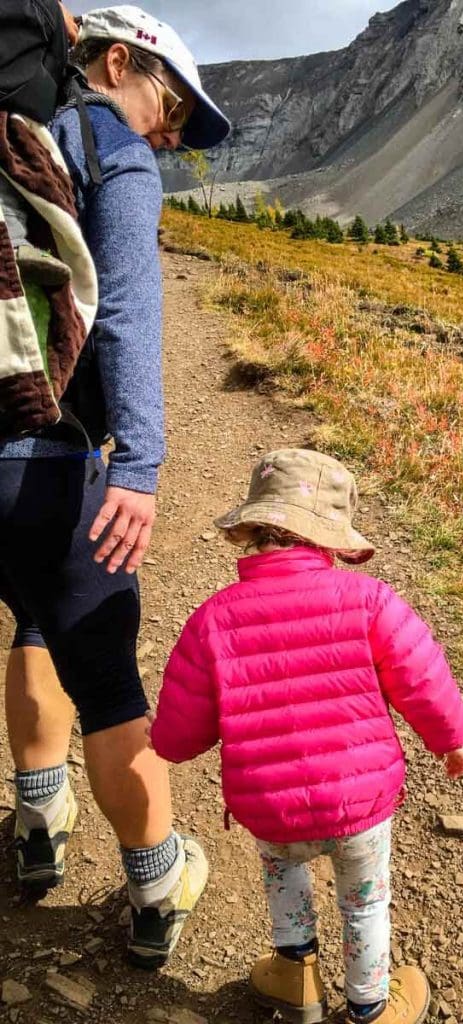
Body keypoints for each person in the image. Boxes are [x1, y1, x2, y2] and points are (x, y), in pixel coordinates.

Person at [0, 5, 230, 968]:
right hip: (51, 453)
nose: (172, 136)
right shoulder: (110, 150)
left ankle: (39, 826)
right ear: (117, 60)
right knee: (103, 665)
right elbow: (128, 318)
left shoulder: (21, 136)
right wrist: (137, 466)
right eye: (171, 107)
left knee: (33, 620)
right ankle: (157, 884)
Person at [150, 449, 463, 1024]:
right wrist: (450, 740)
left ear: (252, 531)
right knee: (365, 904)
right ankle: (371, 1006)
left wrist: (169, 746)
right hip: (360, 803)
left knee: (285, 876)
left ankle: (295, 978)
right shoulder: (369, 601)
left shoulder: (213, 619)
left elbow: (178, 735)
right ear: (331, 540)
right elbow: (421, 678)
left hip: (271, 807)